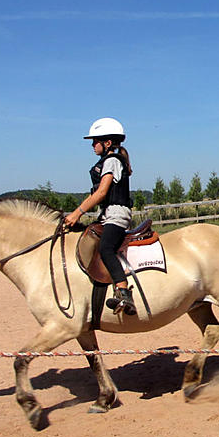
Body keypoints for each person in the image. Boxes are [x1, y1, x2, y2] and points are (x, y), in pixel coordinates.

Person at [64, 117, 135, 314]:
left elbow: (101, 193)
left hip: (116, 215)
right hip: (108, 214)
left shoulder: (112, 161)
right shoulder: (107, 161)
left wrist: (77, 213)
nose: (93, 145)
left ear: (108, 143)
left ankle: (123, 292)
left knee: (106, 248)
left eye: (95, 141)